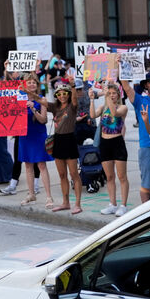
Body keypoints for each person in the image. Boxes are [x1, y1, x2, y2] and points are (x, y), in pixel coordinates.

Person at [120, 71, 150, 204]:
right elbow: (127, 88)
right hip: (148, 148)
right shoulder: (140, 100)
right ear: (146, 85)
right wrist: (121, 68)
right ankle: (146, 214)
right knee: (146, 185)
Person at [16, 74, 56, 208]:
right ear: (25, 84)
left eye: (34, 82)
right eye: (29, 82)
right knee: (27, 165)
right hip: (24, 135)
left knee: (41, 165)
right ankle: (31, 194)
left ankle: (49, 197)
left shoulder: (41, 99)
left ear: (37, 85)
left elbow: (43, 120)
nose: (32, 84)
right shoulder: (19, 98)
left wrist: (33, 108)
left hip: (38, 135)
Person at [90, 82, 130, 217]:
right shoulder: (103, 107)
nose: (111, 95)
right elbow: (92, 115)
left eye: (114, 93)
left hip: (117, 142)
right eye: (110, 93)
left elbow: (115, 112)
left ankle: (123, 205)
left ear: (118, 95)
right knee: (109, 176)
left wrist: (106, 95)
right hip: (104, 143)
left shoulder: (123, 107)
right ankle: (112, 204)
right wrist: (91, 99)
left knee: (122, 176)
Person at [47, 83, 83, 214]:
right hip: (58, 141)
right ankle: (65, 202)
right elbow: (40, 100)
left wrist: (73, 86)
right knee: (62, 175)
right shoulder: (55, 107)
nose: (62, 96)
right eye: (59, 94)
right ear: (56, 95)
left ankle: (78, 204)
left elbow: (74, 100)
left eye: (64, 93)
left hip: (69, 140)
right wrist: (28, 92)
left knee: (74, 174)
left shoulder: (72, 107)